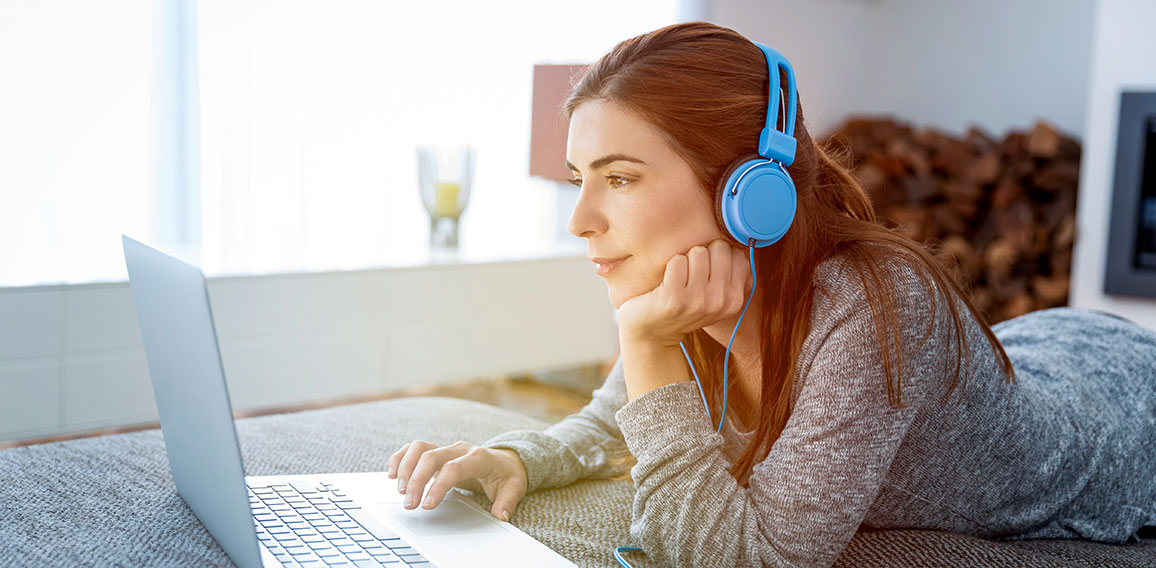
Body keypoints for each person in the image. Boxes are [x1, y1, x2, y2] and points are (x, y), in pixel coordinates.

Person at [386, 21, 1156, 567]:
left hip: (1125, 408)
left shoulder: (872, 310)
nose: (583, 220)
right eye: (578, 180)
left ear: (745, 193)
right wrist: (519, 456)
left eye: (618, 179)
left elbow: (753, 558)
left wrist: (645, 343)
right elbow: (616, 421)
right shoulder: (691, 296)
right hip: (1041, 346)